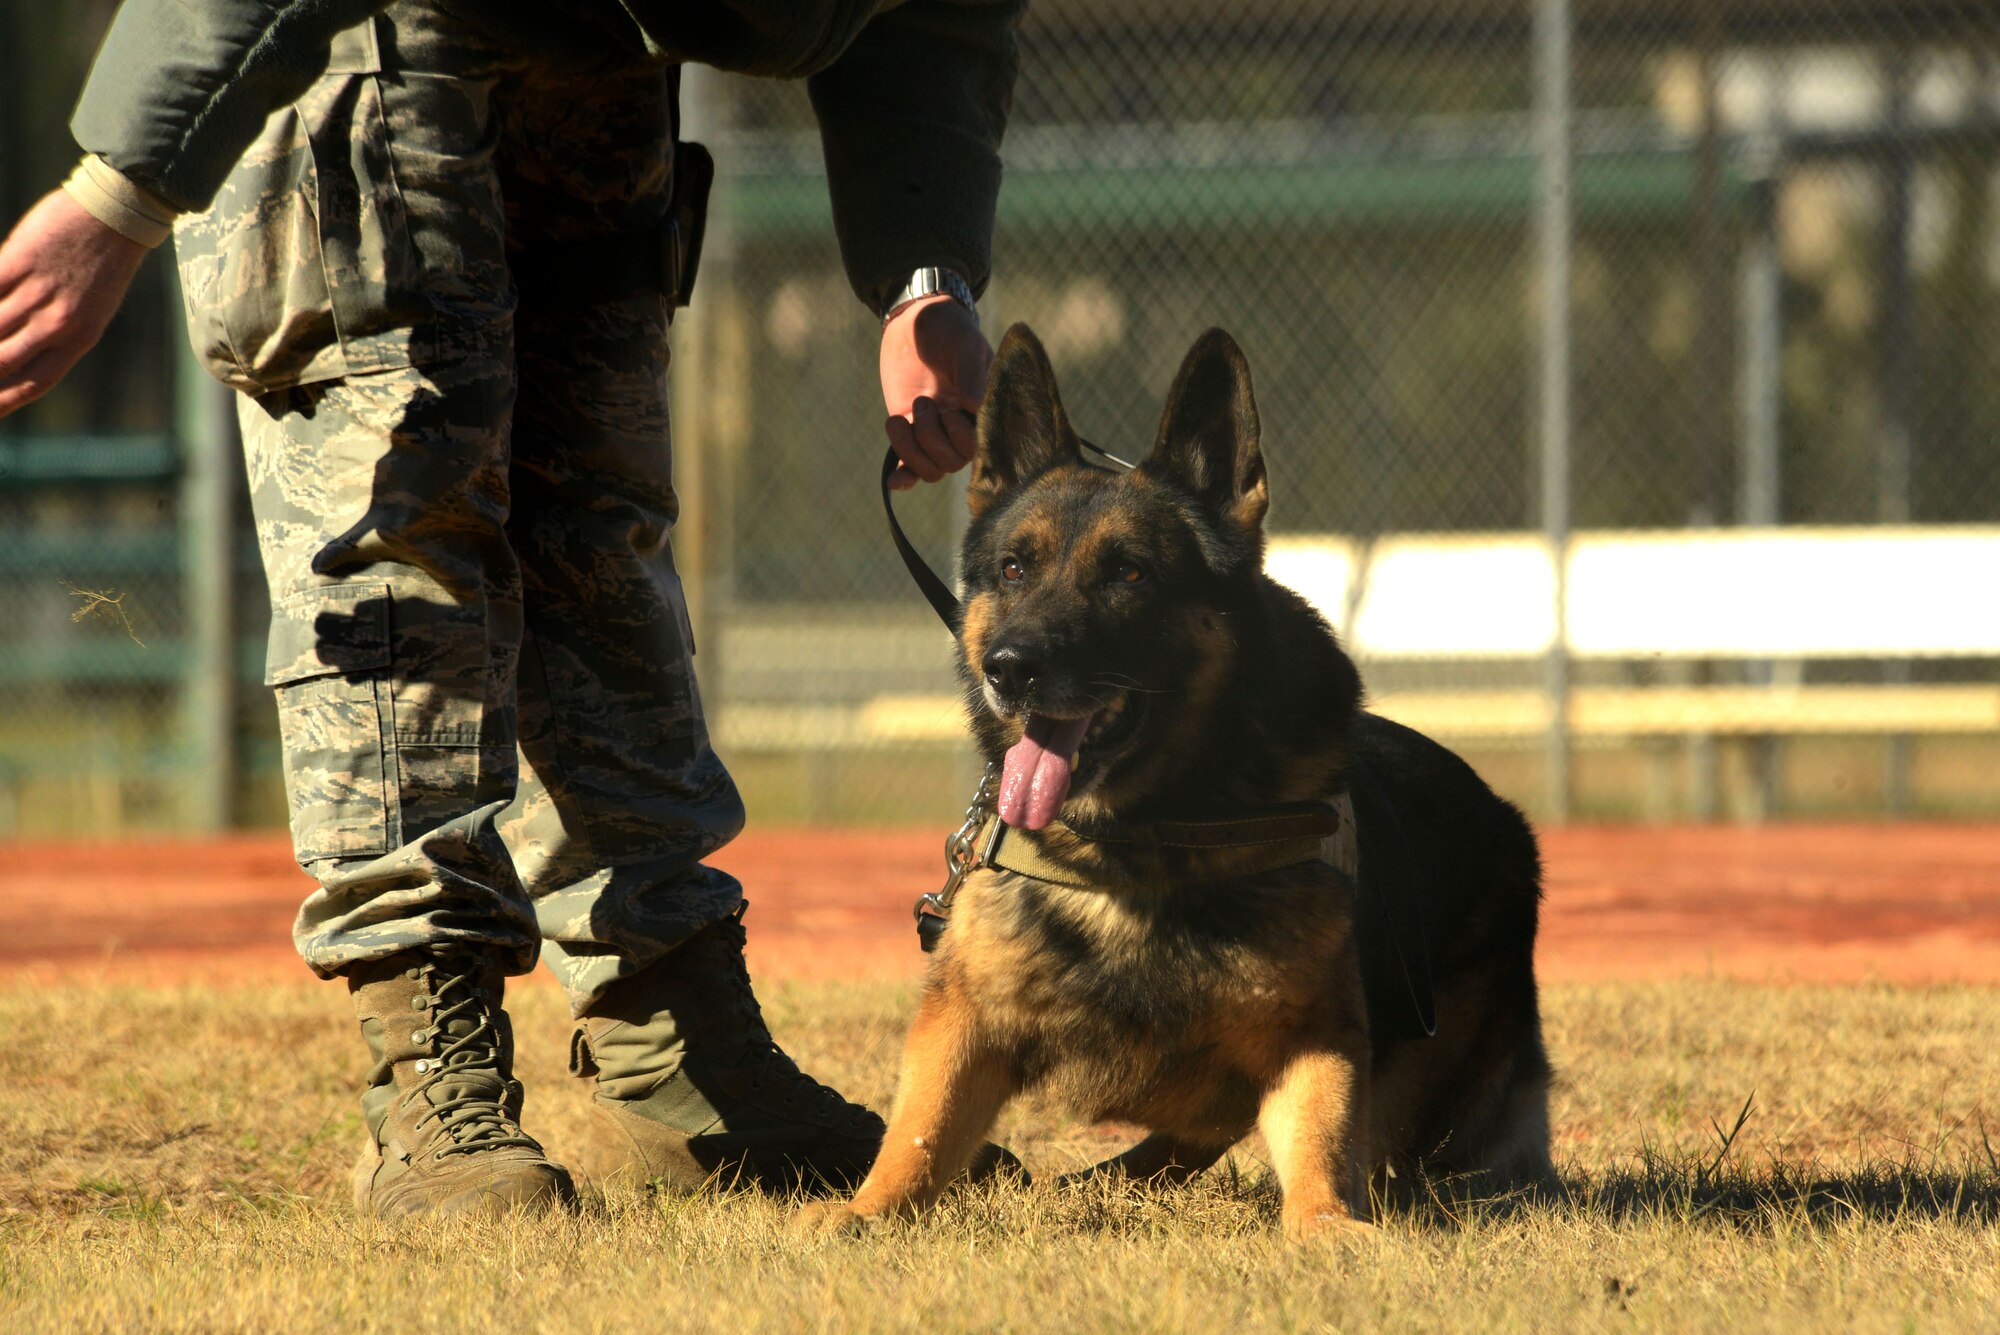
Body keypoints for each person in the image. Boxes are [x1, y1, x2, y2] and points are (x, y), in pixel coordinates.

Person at [0, 0, 1018, 1218]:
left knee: (600, 519)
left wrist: (921, 274)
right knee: (403, 515)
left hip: (602, 43)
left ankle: (678, 1048)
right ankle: (429, 1074)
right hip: (346, 32)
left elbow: (935, 17)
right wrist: (120, 195)